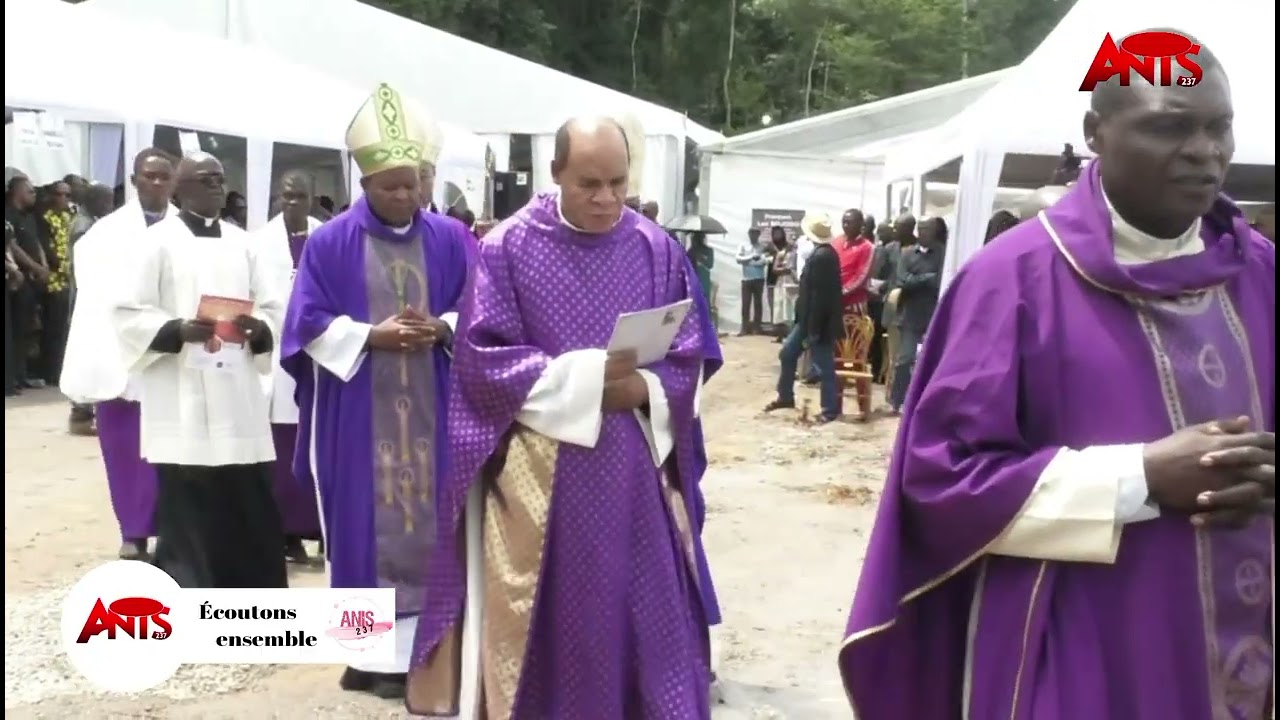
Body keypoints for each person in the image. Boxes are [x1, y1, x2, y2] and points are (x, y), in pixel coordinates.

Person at [839, 37, 1275, 720]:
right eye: (1170, 125)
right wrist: (1142, 478)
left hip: (1245, 636)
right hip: (1079, 640)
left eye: (1218, 126)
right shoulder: (1013, 280)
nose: (1205, 150)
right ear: (1095, 134)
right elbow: (941, 479)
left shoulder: (1259, 273)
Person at [405, 115, 717, 719]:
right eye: (589, 184)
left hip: (633, 472)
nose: (606, 200)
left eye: (618, 183)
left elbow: (689, 350)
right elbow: (483, 363)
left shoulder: (655, 247)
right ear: (555, 175)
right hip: (543, 482)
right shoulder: (509, 248)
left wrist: (647, 389)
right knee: (561, 619)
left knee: (647, 614)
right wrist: (588, 381)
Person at [279, 84, 472, 700]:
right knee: (364, 530)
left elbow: (485, 310)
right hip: (361, 416)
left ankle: (427, 656)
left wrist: (444, 327)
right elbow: (304, 323)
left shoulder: (448, 238)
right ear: (365, 184)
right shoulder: (331, 242)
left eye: (413, 183)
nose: (405, 196)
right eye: (391, 186)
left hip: (435, 410)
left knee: (438, 527)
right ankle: (369, 659)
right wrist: (370, 337)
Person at [112, 152, 287, 590]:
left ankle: (253, 597)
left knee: (246, 497)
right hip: (181, 387)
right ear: (178, 188)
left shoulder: (243, 243)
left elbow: (273, 305)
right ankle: (192, 596)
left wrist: (258, 329)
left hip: (237, 390)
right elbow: (126, 312)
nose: (215, 187)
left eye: (219, 179)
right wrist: (175, 329)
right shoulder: (155, 242)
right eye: (204, 179)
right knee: (189, 503)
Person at [62, 149, 177, 559]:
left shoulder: (188, 230)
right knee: (125, 450)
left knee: (170, 451)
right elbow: (98, 295)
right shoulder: (103, 235)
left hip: (171, 354)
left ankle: (170, 531)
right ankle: (133, 531)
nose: (158, 184)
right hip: (120, 357)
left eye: (165, 177)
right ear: (134, 180)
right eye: (150, 176)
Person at [255, 170, 324, 564]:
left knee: (316, 445)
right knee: (283, 451)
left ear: (312, 198)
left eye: (300, 196)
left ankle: (319, 530)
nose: (292, 203)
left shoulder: (326, 236)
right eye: (286, 196)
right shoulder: (259, 243)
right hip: (280, 357)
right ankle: (287, 534)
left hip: (320, 354)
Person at [763, 212, 843, 423]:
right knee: (787, 354)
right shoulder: (821, 254)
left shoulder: (822, 257)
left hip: (818, 322)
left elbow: (821, 298)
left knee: (824, 366)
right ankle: (786, 396)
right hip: (807, 320)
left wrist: (813, 330)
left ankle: (830, 410)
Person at [65, 183, 115, 436]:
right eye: (107, 202)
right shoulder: (85, 227)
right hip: (84, 296)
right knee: (86, 349)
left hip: (87, 293)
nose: (110, 207)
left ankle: (83, 412)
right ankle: (81, 413)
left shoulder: (90, 222)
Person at [886, 216, 944, 413]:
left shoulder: (943, 254)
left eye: (927, 229)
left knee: (932, 361)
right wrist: (927, 278)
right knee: (905, 359)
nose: (923, 233)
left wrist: (917, 280)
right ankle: (897, 401)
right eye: (920, 229)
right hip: (910, 314)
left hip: (934, 315)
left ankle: (926, 402)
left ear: (934, 231)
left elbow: (940, 282)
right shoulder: (907, 253)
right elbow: (903, 281)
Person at [6, 175, 47, 390]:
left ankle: (21, 374)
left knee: (28, 330)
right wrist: (33, 266)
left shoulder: (30, 217)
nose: (34, 195)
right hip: (17, 280)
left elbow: (37, 242)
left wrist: (43, 264)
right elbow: (12, 247)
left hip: (33, 281)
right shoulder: (9, 215)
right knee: (16, 329)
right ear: (18, 192)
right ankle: (12, 376)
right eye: (30, 191)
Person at [734, 228, 768, 335]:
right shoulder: (743, 245)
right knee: (746, 304)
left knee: (758, 304)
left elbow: (764, 261)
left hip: (759, 278)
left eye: (756, 234)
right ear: (748, 234)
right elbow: (738, 259)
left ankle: (756, 327)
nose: (753, 236)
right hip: (746, 279)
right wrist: (751, 257)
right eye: (752, 233)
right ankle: (744, 328)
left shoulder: (762, 246)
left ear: (759, 235)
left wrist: (748, 261)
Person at [687, 231, 715, 305]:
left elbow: (710, 264)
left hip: (700, 278)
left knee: (700, 301)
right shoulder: (691, 251)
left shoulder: (693, 251)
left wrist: (700, 258)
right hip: (699, 278)